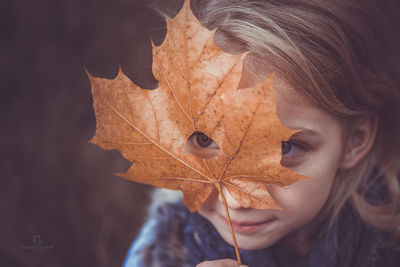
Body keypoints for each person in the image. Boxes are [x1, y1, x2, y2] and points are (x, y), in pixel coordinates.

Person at [123, 0, 400, 266]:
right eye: (204, 140)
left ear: (355, 141)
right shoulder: (163, 249)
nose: (236, 200)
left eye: (285, 148)